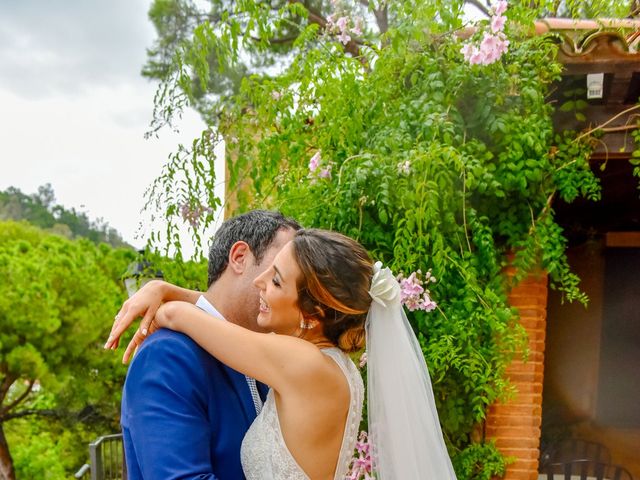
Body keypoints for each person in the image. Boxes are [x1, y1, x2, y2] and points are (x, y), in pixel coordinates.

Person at [108, 228, 458, 479]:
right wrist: (163, 289)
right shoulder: (329, 366)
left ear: (312, 314)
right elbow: (221, 320)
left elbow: (182, 317)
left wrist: (165, 304)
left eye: (276, 280)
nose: (261, 282)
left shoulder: (300, 363)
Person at [111, 210, 300, 479]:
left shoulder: (260, 353)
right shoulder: (167, 355)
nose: (290, 286)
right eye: (279, 270)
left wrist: (167, 292)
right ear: (239, 258)